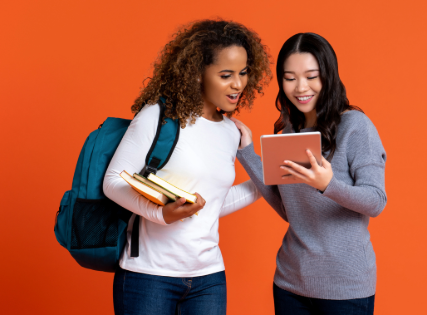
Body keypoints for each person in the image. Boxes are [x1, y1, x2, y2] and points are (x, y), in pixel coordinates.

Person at [103, 19, 271, 315]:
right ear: (197, 74)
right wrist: (161, 214)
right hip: (149, 276)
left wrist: (268, 171)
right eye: (226, 75)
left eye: (244, 73)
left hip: (209, 278)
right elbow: (113, 181)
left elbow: (212, 203)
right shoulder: (159, 117)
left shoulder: (232, 133)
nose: (238, 84)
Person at [231, 32, 386, 315]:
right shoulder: (290, 132)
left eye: (311, 76)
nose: (300, 87)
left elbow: (376, 201)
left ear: (329, 75)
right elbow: (290, 210)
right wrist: (247, 153)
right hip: (291, 283)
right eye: (289, 78)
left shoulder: (356, 126)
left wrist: (329, 185)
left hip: (345, 287)